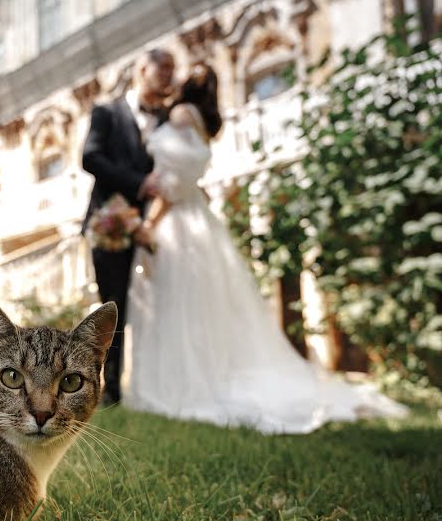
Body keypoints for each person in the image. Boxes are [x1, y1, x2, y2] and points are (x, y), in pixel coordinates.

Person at [120, 63, 407, 433]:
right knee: (200, 308)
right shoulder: (204, 124)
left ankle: (178, 388)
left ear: (187, 84)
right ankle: (204, 377)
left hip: (175, 220)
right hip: (199, 218)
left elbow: (173, 180)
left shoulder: (179, 113)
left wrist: (149, 223)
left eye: (178, 73)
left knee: (174, 305)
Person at [81, 48, 175, 406]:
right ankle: (110, 393)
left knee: (158, 305)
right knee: (112, 310)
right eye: (162, 67)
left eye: (172, 69)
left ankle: (156, 387)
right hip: (111, 224)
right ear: (141, 69)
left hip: (156, 227)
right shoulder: (106, 112)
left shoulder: (170, 119)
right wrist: (139, 183)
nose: (168, 74)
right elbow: (90, 156)